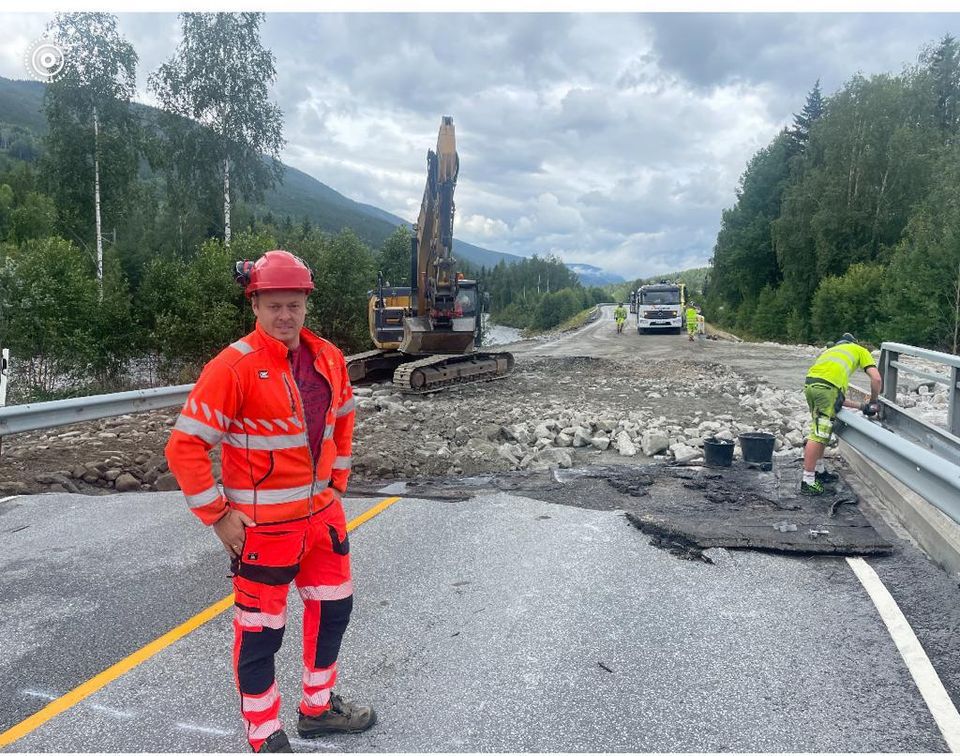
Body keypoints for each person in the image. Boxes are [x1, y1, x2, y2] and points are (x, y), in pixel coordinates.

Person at [165, 250, 376, 753]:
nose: (285, 316)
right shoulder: (233, 367)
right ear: (255, 305)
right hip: (263, 533)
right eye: (274, 305)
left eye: (294, 305)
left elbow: (343, 420)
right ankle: (263, 735)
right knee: (261, 633)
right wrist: (218, 517)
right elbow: (185, 446)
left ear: (306, 303)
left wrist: (337, 486)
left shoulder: (327, 357)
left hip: (322, 522)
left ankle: (318, 708)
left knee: (333, 612)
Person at [801, 332, 882, 495]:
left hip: (811, 385)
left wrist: (862, 406)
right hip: (826, 389)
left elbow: (836, 400)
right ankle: (808, 481)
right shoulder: (859, 350)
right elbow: (877, 379)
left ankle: (819, 471)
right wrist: (873, 401)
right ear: (854, 343)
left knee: (823, 429)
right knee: (818, 434)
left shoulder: (830, 352)